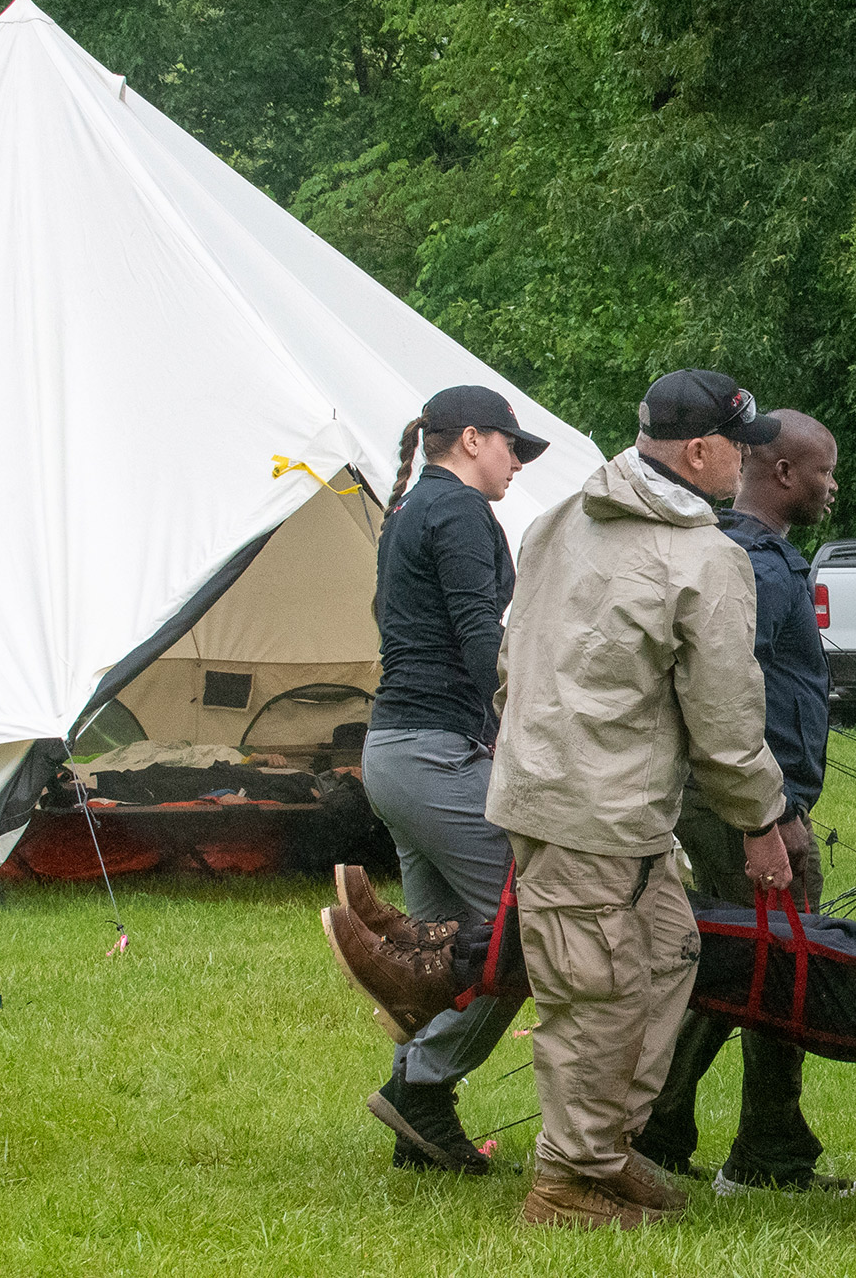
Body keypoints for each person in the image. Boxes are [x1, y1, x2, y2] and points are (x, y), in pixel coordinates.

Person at [485, 369, 809, 1231]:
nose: (747, 463)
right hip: (592, 809)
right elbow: (728, 719)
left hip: (572, 797)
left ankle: (606, 1148)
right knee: (593, 992)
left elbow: (511, 651)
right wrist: (764, 822)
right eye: (740, 448)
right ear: (700, 451)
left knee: (667, 950)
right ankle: (565, 1185)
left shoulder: (556, 520)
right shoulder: (707, 556)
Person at [320, 383, 549, 1175]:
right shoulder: (456, 512)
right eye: (512, 446)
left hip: (396, 752)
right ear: (474, 439)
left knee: (439, 961)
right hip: (435, 753)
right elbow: (485, 637)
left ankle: (417, 1128)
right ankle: (419, 1085)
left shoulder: (414, 509)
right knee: (523, 938)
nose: (517, 463)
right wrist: (546, 720)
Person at [639, 410, 852, 1195]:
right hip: (747, 801)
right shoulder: (751, 565)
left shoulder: (770, 558)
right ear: (785, 472)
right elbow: (734, 703)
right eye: (824, 470)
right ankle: (727, 1143)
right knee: (761, 961)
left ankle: (747, 1138)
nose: (833, 486)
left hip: (757, 795)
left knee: (752, 959)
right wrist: (775, 811)